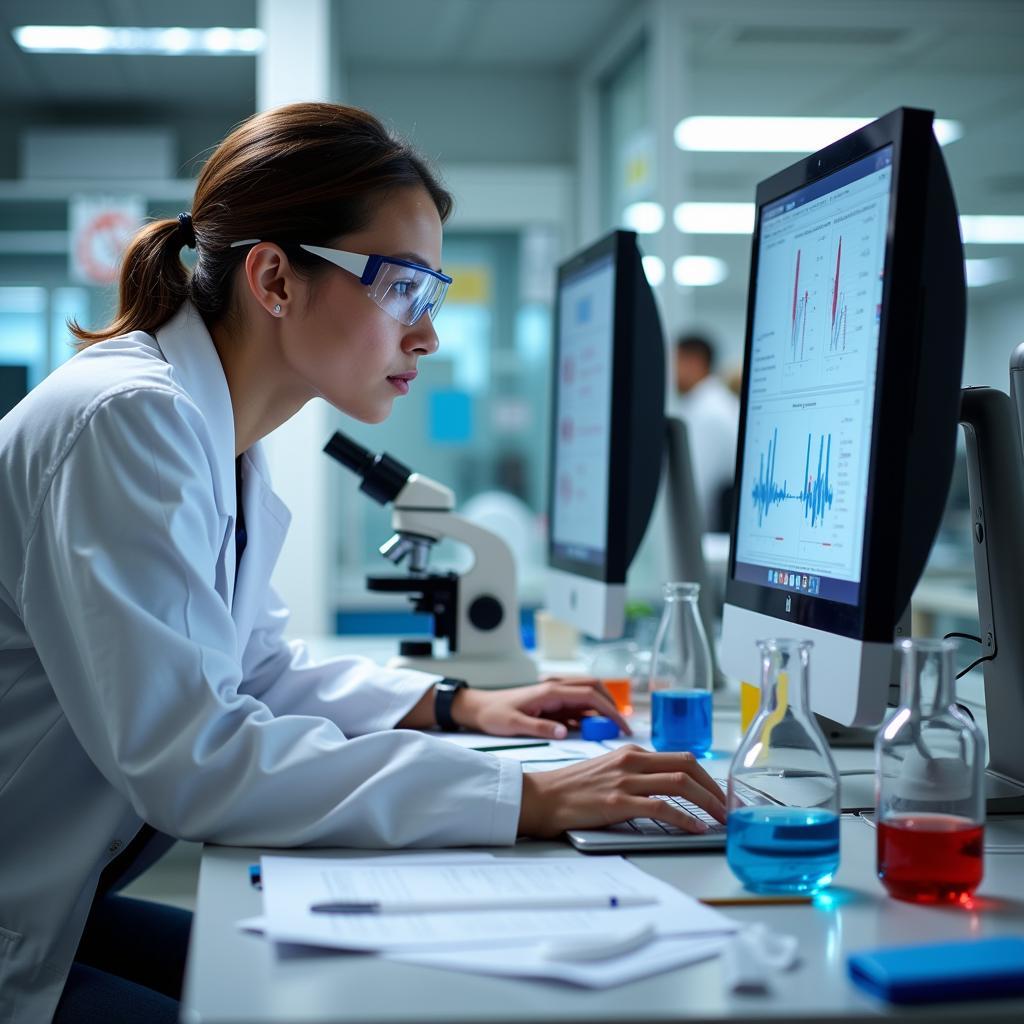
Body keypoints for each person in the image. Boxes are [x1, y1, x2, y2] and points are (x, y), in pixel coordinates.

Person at [0, 103, 726, 1023]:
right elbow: (194, 760)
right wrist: (524, 790)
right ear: (274, 277)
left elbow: (253, 669)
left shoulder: (213, 431)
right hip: (20, 919)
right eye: (404, 290)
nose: (426, 335)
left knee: (332, 983)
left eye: (435, 296)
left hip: (55, 897)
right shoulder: (129, 420)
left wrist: (457, 706)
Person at [672, 333, 740, 532]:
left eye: (675, 361)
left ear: (694, 362)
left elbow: (694, 492)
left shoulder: (710, 412)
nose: (671, 371)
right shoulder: (703, 405)